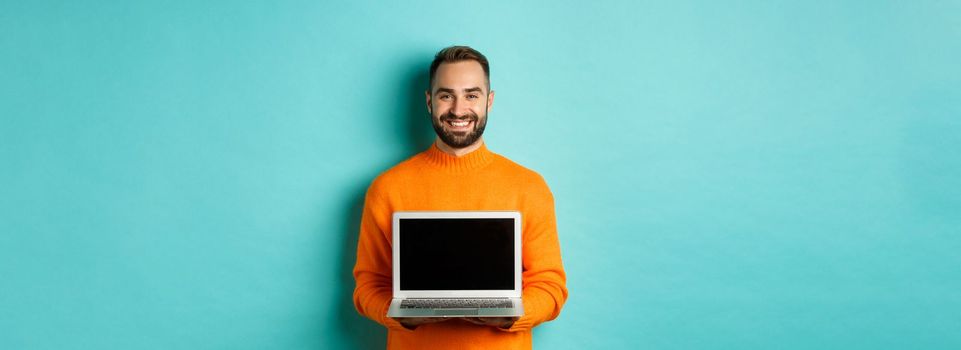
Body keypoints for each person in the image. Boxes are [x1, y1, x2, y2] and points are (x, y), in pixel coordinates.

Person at [352, 45, 568, 349]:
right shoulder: (387, 188)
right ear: (429, 102)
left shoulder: (529, 186)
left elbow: (551, 286)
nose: (457, 109)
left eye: (471, 95)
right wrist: (400, 316)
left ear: (489, 101)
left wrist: (511, 315)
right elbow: (367, 287)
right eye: (445, 95)